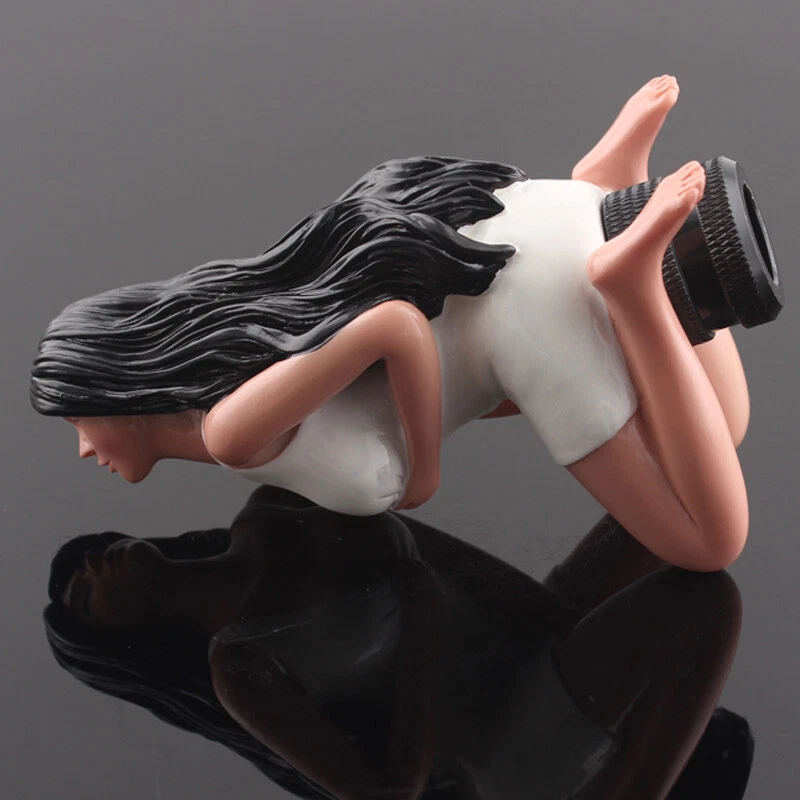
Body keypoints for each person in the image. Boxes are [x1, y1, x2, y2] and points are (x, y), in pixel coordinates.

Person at [31, 76, 751, 570]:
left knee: (708, 543)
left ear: (118, 392)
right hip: (522, 224)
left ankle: (633, 287)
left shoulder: (230, 431)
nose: (84, 449)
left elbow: (394, 326)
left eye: (77, 419)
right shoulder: (249, 346)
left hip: (528, 308)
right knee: (724, 428)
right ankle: (606, 189)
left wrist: (425, 473)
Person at [46, 488, 751, 799]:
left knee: (674, 507)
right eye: (85, 594)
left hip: (533, 657)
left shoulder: (274, 508)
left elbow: (462, 568)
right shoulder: (240, 663)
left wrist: (567, 628)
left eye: (87, 558)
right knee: (706, 598)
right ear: (125, 637)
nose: (94, 565)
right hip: (510, 744)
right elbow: (387, 791)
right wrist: (420, 615)